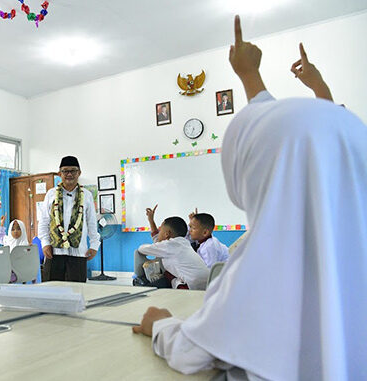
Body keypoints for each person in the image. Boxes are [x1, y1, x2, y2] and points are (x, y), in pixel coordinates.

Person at [133, 16, 367, 380]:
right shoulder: (350, 241)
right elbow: (325, 141)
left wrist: (160, 325)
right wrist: (311, 88)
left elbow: (194, 352)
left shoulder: (266, 257)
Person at [38, 156, 100, 282]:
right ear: (60, 173)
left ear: (79, 173)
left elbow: (92, 222)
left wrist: (94, 245)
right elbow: (44, 221)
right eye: (65, 171)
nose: (69, 174)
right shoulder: (51, 194)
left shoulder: (86, 195)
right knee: (52, 291)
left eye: (73, 171)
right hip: (54, 252)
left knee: (76, 291)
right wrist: (45, 244)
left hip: (78, 252)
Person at [133, 208, 209, 290]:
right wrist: (151, 220)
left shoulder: (170, 245)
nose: (159, 232)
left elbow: (142, 249)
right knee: (167, 276)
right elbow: (158, 242)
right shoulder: (183, 243)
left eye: (160, 229)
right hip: (205, 285)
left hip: (191, 287)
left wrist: (145, 246)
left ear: (167, 234)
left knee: (146, 288)